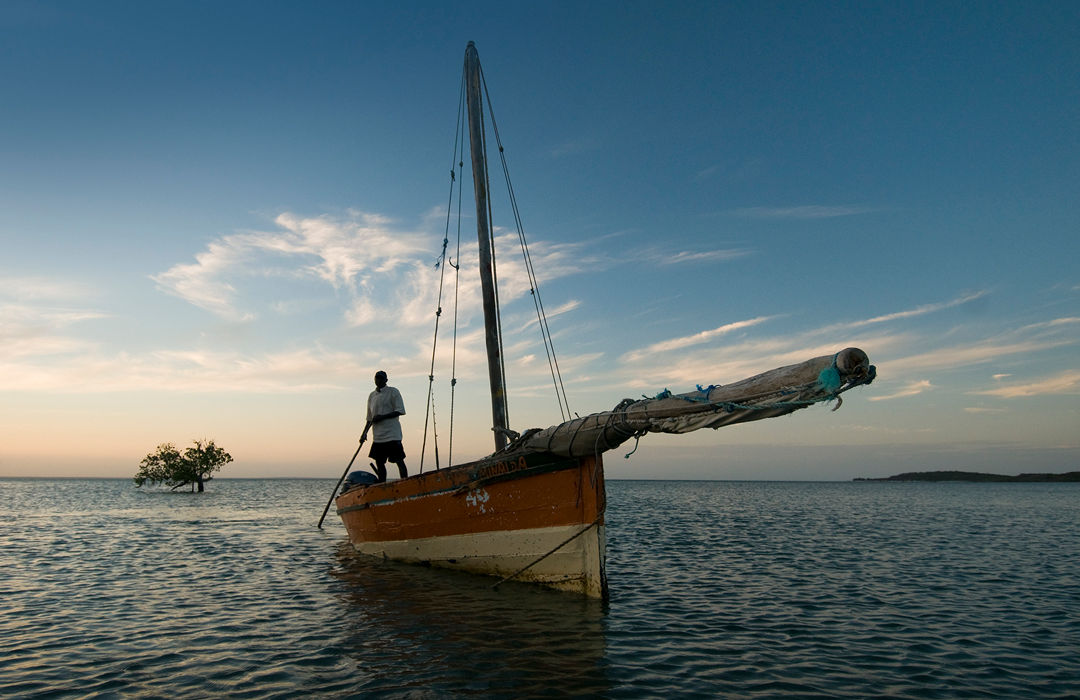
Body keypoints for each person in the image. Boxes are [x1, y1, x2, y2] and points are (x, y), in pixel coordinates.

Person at [366, 370, 407, 482]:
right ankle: (382, 485)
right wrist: (364, 433)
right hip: (378, 436)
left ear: (386, 380)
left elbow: (400, 410)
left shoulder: (393, 391)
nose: (379, 380)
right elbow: (369, 418)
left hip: (392, 434)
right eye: (377, 378)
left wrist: (382, 417)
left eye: (381, 378)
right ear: (374, 380)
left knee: (399, 459)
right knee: (379, 462)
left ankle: (405, 482)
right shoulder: (372, 396)